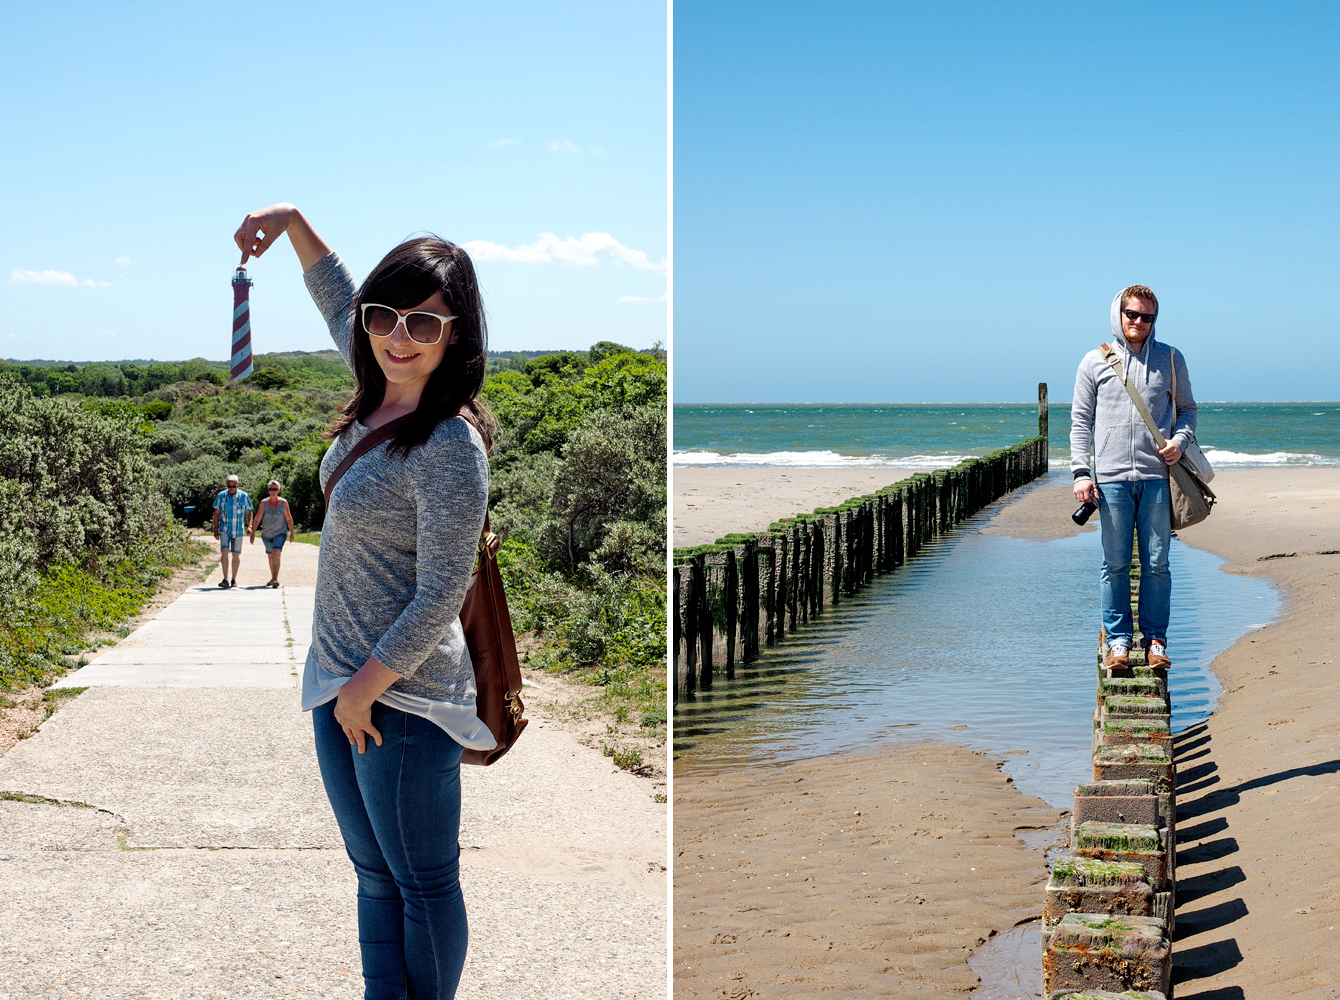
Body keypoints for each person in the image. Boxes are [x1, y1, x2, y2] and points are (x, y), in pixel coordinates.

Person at [235, 203, 497, 1000]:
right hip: (339, 684)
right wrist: (292, 223)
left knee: (422, 882)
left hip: (402, 700)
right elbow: (338, 295)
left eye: (425, 323)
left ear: (456, 335)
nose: (398, 336)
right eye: (386, 318)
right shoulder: (373, 387)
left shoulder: (449, 443)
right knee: (374, 877)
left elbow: (442, 593)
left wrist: (364, 689)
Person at [1070, 284, 1198, 670]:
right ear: (1118, 315)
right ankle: (1119, 642)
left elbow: (1189, 410)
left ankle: (1156, 641)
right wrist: (1081, 472)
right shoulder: (1094, 362)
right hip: (1111, 481)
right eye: (1132, 315)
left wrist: (1180, 441)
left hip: (1159, 478)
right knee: (1115, 565)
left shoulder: (1171, 359)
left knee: (1157, 563)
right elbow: (1080, 422)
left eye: (1147, 317)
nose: (1139, 322)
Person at [248, 479, 296, 588]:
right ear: (268, 491)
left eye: (275, 489)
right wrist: (253, 533)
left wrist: (292, 532)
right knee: (270, 556)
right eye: (271, 489)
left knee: (276, 553)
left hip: (280, 533)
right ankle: (272, 577)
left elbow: (288, 518)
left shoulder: (284, 503)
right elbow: (257, 518)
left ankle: (276, 579)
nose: (273, 491)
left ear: (279, 490)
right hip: (266, 534)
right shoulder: (264, 503)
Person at [212, 474, 253, 589]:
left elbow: (249, 511)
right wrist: (215, 529)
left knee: (236, 554)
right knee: (224, 552)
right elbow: (216, 513)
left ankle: (233, 578)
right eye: (229, 486)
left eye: (233, 486)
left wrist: (250, 525)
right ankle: (225, 579)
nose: (231, 488)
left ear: (237, 485)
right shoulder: (221, 496)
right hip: (225, 528)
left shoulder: (244, 496)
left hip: (238, 529)